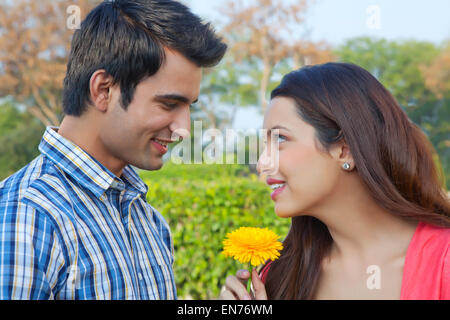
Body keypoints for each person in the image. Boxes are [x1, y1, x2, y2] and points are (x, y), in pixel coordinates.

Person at [0, 0, 226, 299]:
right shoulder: (26, 217)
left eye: (189, 108)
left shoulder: (149, 222)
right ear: (103, 90)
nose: (183, 127)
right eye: (169, 104)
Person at [221, 62, 450, 300]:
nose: (262, 164)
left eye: (280, 139)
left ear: (345, 151)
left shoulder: (443, 264)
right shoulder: (278, 276)